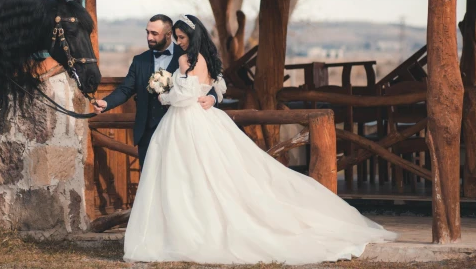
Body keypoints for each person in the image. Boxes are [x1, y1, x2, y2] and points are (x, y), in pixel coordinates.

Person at [123, 15, 397, 265]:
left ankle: (187, 230)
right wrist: (206, 95)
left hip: (185, 120)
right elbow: (213, 85)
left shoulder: (185, 60)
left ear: (190, 38)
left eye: (181, 37)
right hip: (203, 121)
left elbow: (189, 94)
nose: (178, 42)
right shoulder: (205, 59)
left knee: (186, 176)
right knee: (205, 176)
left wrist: (164, 94)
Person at [92, 15, 219, 166]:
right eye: (147, 32)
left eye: (154, 34)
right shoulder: (139, 61)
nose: (149, 37)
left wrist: (212, 97)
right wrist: (106, 103)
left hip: (179, 130)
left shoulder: (187, 55)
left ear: (168, 34)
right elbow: (125, 89)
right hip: (147, 133)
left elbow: (207, 80)